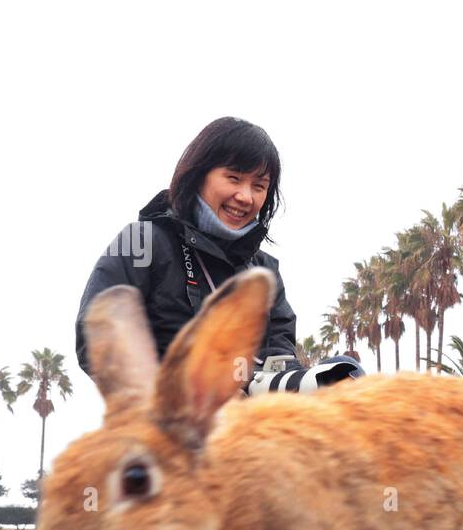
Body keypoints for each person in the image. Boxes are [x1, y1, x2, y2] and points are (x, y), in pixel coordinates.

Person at [74, 116, 362, 389]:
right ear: (199, 174)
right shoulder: (142, 240)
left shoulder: (265, 272)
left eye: (259, 186)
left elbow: (279, 360)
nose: (245, 197)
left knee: (345, 372)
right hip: (162, 428)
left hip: (246, 428)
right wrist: (187, 396)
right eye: (234, 178)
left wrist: (302, 386)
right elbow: (98, 340)